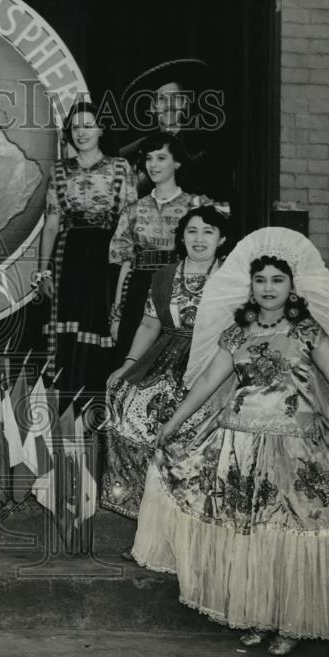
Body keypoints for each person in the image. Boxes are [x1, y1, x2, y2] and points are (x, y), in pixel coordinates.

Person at [137, 227, 329, 655]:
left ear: (292, 286)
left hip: (295, 448)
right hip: (238, 446)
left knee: (290, 533)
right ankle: (256, 615)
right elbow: (206, 384)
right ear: (250, 286)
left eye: (277, 280)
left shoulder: (308, 331)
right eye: (260, 280)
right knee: (251, 534)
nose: (268, 288)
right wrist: (172, 423)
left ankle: (290, 623)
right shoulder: (236, 334)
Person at [101, 205, 230, 525]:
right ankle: (144, 507)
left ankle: (191, 511)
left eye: (208, 232)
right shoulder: (164, 276)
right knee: (125, 399)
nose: (199, 238)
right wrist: (128, 364)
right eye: (192, 231)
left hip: (214, 358)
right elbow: (149, 324)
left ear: (221, 239)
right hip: (166, 354)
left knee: (198, 418)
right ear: (182, 238)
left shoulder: (233, 277)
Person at [36, 101, 136, 404]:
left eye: (88, 126)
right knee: (66, 334)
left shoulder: (120, 167)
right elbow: (51, 225)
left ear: (101, 130)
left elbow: (131, 222)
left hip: (107, 259)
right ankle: (64, 410)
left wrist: (126, 268)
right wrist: (43, 271)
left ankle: (96, 408)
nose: (81, 132)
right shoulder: (60, 170)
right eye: (76, 127)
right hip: (69, 257)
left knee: (102, 327)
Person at [108, 132, 207, 357]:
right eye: (149, 158)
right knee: (132, 359)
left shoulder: (194, 206)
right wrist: (117, 314)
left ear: (177, 163)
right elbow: (125, 265)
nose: (153, 165)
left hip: (179, 289)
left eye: (161, 158)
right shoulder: (133, 210)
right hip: (139, 290)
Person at [119, 58, 224, 199]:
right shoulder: (137, 152)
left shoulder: (205, 147)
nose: (169, 104)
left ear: (184, 103)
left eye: (176, 97)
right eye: (162, 99)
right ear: (153, 107)